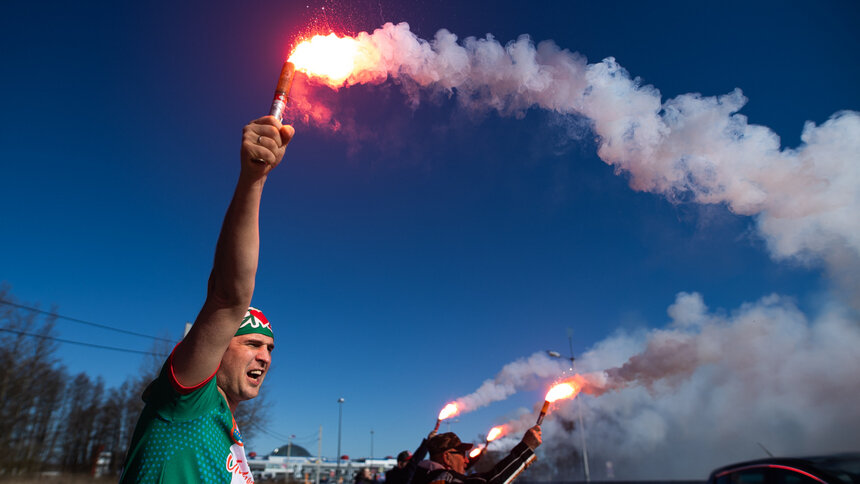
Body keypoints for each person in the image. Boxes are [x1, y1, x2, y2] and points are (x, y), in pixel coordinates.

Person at [119, 116, 295, 483]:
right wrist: (254, 179)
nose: (265, 356)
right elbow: (228, 296)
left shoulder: (229, 431)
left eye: (270, 348)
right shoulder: (188, 402)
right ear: (218, 346)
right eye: (252, 343)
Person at [415, 426, 541, 484]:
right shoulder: (443, 478)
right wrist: (525, 447)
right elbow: (489, 481)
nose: (466, 460)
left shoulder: (422, 476)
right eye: (462, 454)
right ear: (447, 457)